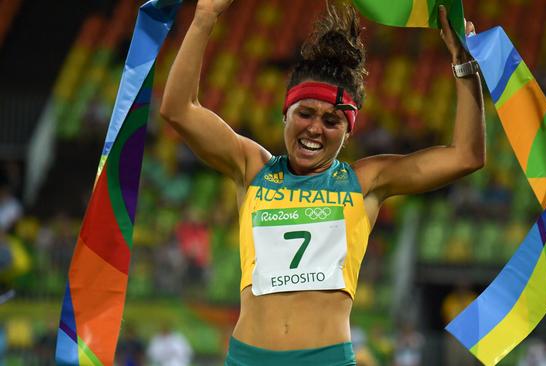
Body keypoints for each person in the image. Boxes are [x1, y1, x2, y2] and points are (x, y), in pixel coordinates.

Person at [160, 0, 484, 364]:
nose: (315, 128)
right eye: (306, 113)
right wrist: (204, 16)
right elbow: (177, 109)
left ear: (348, 134)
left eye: (332, 121)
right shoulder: (252, 168)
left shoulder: (365, 181)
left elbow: (466, 156)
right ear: (286, 114)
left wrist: (463, 64)